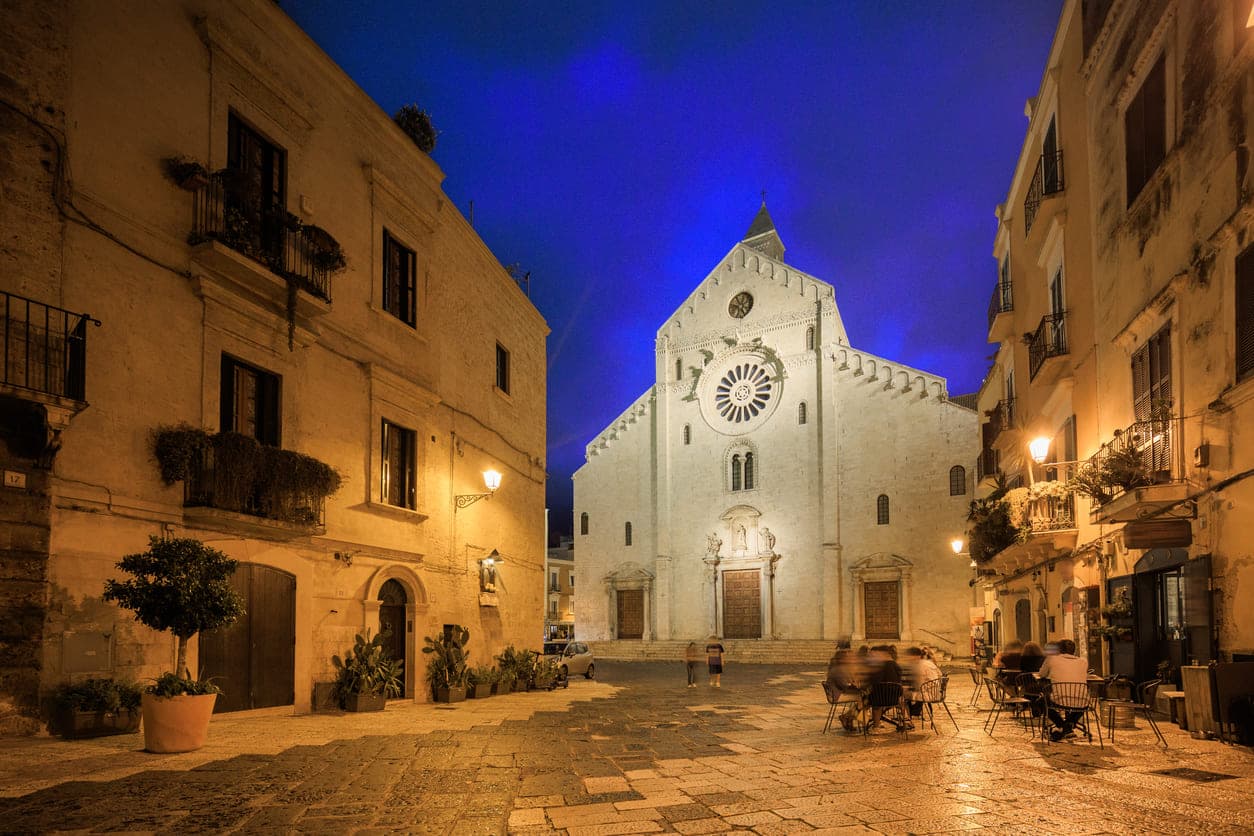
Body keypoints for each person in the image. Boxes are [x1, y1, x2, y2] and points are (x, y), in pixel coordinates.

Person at [1036, 638, 1089, 741]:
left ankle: (1064, 727)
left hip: (1060, 700)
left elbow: (1041, 674)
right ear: (1074, 650)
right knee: (1080, 701)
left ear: (1059, 650)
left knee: (1042, 702)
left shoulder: (1051, 659)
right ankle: (1067, 727)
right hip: (1083, 702)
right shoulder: (1084, 662)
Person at [864, 645, 905, 731]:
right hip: (894, 698)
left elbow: (873, 682)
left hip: (879, 699)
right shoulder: (896, 665)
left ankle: (875, 724)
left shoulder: (879, 666)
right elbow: (900, 681)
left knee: (864, 700)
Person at [826, 647, 865, 732]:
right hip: (838, 695)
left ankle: (849, 718)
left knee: (863, 699)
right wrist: (856, 686)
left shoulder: (840, 668)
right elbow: (844, 686)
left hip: (837, 693)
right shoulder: (839, 670)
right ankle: (849, 717)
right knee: (864, 699)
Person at [903, 646, 942, 720]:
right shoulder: (929, 663)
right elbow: (940, 674)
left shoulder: (919, 666)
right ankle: (913, 713)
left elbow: (917, 685)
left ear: (915, 656)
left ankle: (907, 718)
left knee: (901, 696)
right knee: (907, 693)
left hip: (927, 694)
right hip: (936, 692)